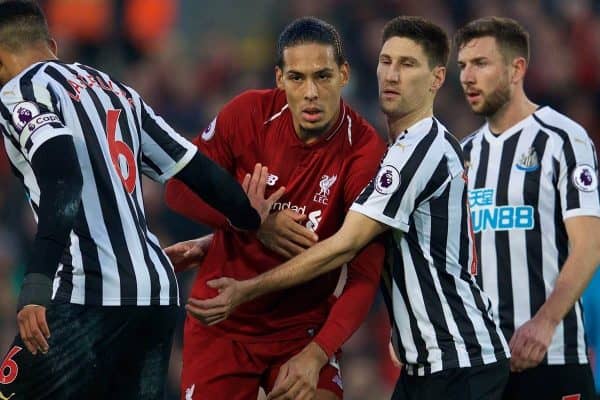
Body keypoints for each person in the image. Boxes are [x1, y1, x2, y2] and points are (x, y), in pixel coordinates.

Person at [191, 16, 511, 400]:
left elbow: (346, 244)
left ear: (437, 79)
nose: (392, 75)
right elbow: (331, 230)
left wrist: (248, 289)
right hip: (426, 364)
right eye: (386, 61)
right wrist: (218, 240)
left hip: (460, 362)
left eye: (408, 65)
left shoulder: (418, 150)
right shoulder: (398, 151)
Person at [0, 2, 276, 399]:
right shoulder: (118, 91)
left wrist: (37, 283)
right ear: (52, 44)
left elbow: (63, 174)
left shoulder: (19, 91)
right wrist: (250, 216)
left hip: (88, 296)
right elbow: (194, 167)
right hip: (156, 295)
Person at [164, 16, 386, 400]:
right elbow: (177, 189)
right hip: (224, 315)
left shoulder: (364, 153)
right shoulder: (247, 114)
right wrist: (246, 218)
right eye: (297, 78)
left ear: (344, 74)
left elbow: (363, 276)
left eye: (323, 76)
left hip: (300, 326)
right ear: (280, 78)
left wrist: (318, 354)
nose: (311, 92)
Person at [455, 16, 600, 399]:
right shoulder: (464, 155)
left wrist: (544, 323)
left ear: (516, 68)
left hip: (553, 356)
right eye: (462, 66)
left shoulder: (563, 139)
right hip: (483, 364)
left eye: (481, 64)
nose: (467, 77)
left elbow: (590, 244)